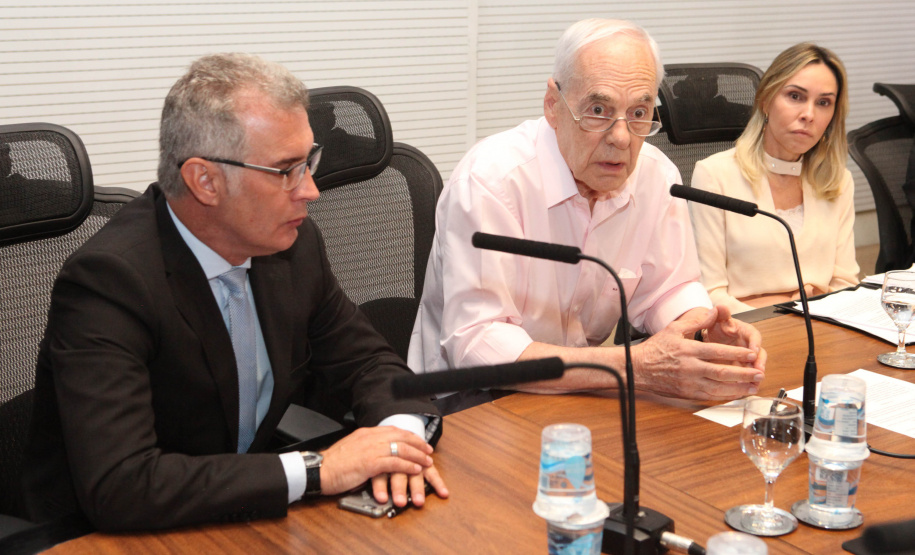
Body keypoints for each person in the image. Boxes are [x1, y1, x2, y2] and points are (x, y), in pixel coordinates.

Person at [22, 53, 447, 532]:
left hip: (237, 515)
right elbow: (124, 483)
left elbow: (368, 362)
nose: (311, 191)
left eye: (310, 161)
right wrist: (317, 470)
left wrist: (398, 438)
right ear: (205, 180)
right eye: (287, 169)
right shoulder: (110, 282)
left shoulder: (292, 245)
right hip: (107, 536)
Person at [408, 19, 767, 411]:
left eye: (639, 112)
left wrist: (701, 330)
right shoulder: (490, 183)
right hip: (468, 403)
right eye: (599, 110)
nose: (622, 137)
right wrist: (634, 367)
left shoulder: (655, 175)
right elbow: (476, 345)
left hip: (582, 391)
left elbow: (667, 288)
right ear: (553, 104)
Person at [690, 43, 860, 314]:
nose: (809, 114)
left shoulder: (838, 181)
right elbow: (710, 292)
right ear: (766, 100)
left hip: (822, 326)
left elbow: (844, 282)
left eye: (824, 102)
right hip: (745, 330)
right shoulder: (715, 176)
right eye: (795, 96)